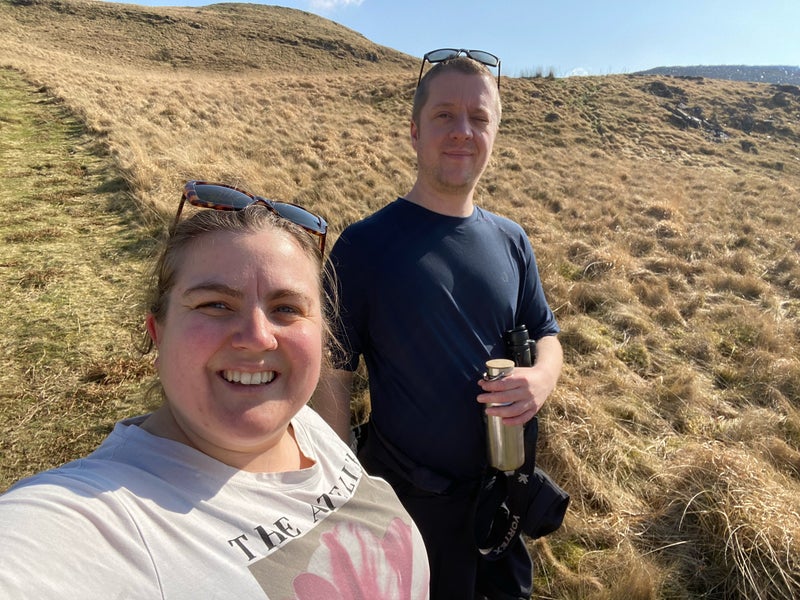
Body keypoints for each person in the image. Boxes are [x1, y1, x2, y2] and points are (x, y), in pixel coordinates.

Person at [0, 181, 430, 599]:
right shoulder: (103, 520)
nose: (258, 336)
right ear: (157, 333)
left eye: (286, 308)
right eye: (216, 305)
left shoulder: (305, 426)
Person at [313, 50, 563, 600]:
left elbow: (545, 332)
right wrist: (343, 482)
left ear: (495, 133)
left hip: (502, 495)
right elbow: (331, 370)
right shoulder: (366, 244)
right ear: (414, 131)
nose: (462, 132)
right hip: (407, 503)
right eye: (444, 115)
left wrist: (541, 380)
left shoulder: (512, 240)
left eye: (479, 118)